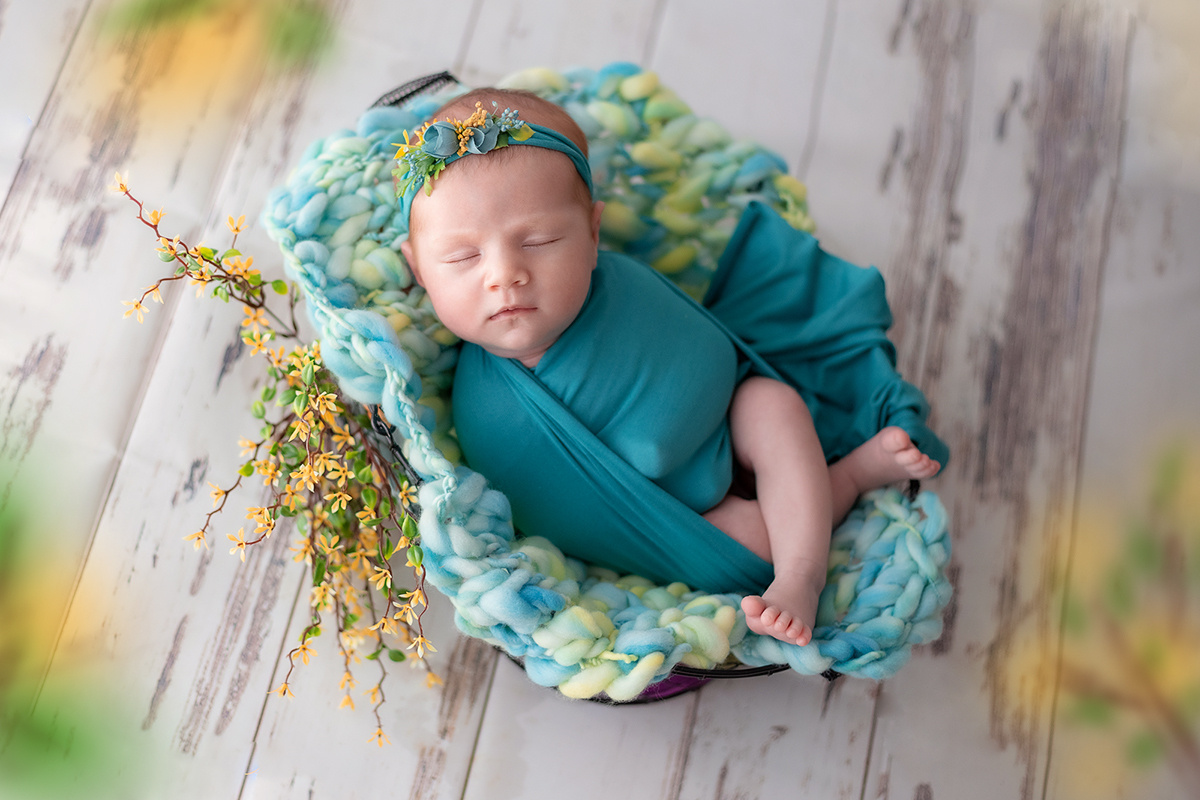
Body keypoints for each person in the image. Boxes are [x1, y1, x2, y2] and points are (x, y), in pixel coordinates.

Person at [397, 89, 942, 647]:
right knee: (758, 544)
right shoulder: (493, 414)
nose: (504, 275)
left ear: (592, 233)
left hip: (730, 415)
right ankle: (842, 485)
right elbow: (570, 513)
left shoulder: (619, 282)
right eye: (464, 257)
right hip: (678, 515)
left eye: (539, 241)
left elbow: (705, 344)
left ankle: (804, 569)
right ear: (417, 268)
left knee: (774, 404)